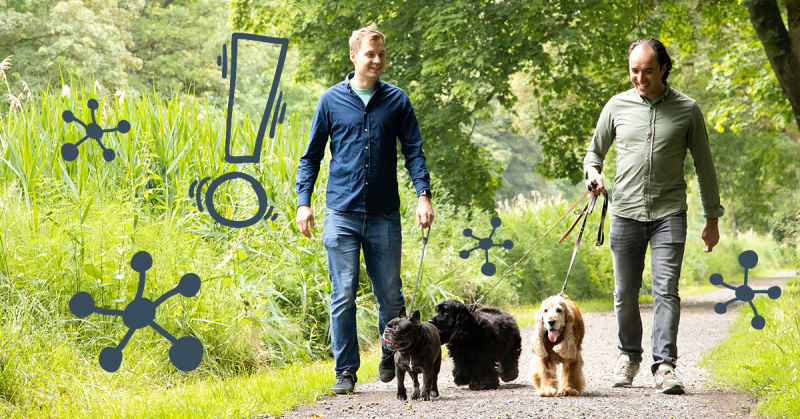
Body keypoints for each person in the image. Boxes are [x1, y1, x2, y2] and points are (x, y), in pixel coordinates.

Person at [295, 26, 435, 395]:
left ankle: (392, 354)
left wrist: (423, 194)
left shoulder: (398, 101)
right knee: (342, 294)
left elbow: (414, 152)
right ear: (354, 56)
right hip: (340, 212)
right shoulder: (330, 101)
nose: (377, 60)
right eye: (370, 54)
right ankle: (346, 371)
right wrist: (304, 203)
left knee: (390, 296)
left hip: (384, 214)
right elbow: (310, 157)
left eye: (382, 54)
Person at [583, 38, 724, 395]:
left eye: (647, 70)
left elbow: (704, 167)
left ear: (664, 68)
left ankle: (664, 366)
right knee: (624, 293)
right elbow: (593, 154)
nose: (640, 78)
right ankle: (628, 356)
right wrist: (593, 174)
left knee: (666, 292)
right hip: (626, 213)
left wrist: (712, 218)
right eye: (634, 71)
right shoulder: (616, 106)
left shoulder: (688, 110)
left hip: (669, 213)